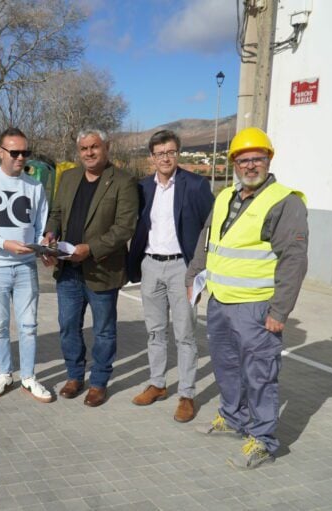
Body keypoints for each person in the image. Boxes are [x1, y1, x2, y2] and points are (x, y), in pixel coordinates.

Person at [186, 127, 308, 469]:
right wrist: (191, 276)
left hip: (257, 308)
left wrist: (280, 310)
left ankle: (264, 441)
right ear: (234, 163)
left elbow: (294, 261)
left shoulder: (285, 202)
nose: (250, 165)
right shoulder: (225, 197)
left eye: (257, 158)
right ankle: (233, 418)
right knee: (226, 367)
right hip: (221, 301)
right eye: (243, 159)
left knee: (260, 373)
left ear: (269, 160)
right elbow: (205, 240)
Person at [43, 128, 138, 407]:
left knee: (104, 330)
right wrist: (50, 235)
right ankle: (75, 375)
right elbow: (57, 214)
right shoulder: (69, 177)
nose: (89, 153)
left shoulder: (123, 181)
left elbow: (124, 228)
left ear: (106, 147)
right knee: (68, 326)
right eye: (84, 148)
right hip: (68, 270)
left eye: (94, 147)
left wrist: (91, 249)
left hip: (102, 269)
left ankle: (98, 381)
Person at [126, 130, 214, 422]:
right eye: (160, 153)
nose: (166, 158)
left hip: (182, 269)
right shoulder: (141, 188)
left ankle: (187, 394)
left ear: (178, 154)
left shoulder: (196, 185)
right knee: (155, 331)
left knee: (186, 335)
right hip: (150, 266)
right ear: (151, 157)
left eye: (171, 152)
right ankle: (157, 384)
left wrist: (199, 271)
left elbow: (209, 229)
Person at [0, 127, 52, 403]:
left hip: (27, 266)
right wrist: (5, 244)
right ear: (0, 151)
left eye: (24, 153)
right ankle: (5, 373)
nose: (20, 158)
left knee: (28, 325)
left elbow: (41, 225)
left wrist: (44, 245)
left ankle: (28, 376)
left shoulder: (35, 186)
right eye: (14, 152)